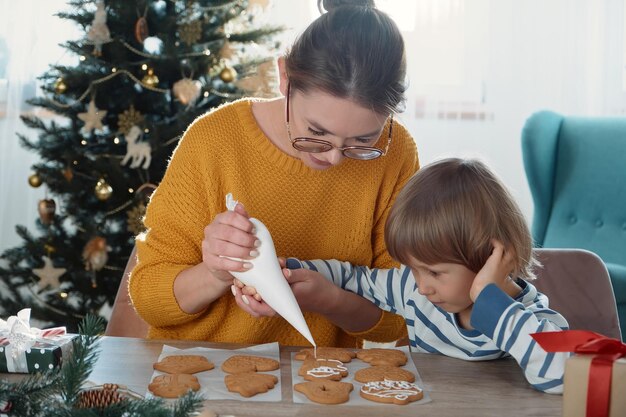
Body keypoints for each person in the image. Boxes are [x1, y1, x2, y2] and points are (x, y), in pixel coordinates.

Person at [128, 0, 419, 347]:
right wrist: (216, 272)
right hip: (202, 378)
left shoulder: (395, 153)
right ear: (285, 78)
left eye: (362, 140)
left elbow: (410, 313)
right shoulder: (213, 141)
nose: (335, 158)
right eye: (316, 132)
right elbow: (148, 299)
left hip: (320, 382)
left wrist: (330, 300)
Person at [238, 158, 569, 393]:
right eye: (414, 268)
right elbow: (352, 278)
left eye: (435, 272)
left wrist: (488, 298)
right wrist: (289, 272)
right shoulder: (413, 288)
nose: (422, 286)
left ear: (492, 259)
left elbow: (559, 375)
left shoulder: (531, 317)